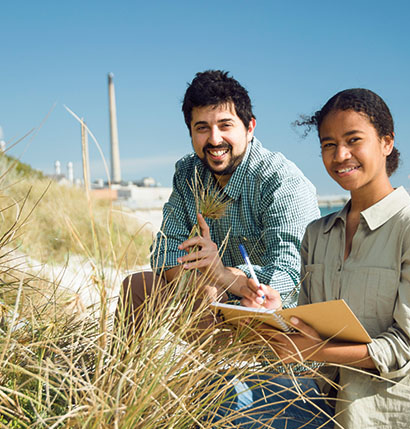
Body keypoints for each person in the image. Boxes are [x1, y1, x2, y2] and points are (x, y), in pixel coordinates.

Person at [232, 88, 410, 429]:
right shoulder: (318, 234)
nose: (340, 155)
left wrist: (311, 348)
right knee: (227, 404)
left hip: (409, 423)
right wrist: (275, 317)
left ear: (386, 142)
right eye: (328, 144)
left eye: (354, 140)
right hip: (335, 409)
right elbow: (312, 324)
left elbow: (405, 349)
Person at [121, 70, 320, 326]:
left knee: (217, 296)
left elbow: (292, 277)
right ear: (190, 132)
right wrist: (206, 283)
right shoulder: (188, 172)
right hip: (212, 299)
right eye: (202, 128)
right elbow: (164, 253)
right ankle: (134, 367)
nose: (214, 139)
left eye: (225, 125)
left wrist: (226, 276)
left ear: (249, 128)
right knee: (137, 286)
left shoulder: (281, 180)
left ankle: (225, 365)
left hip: (273, 313)